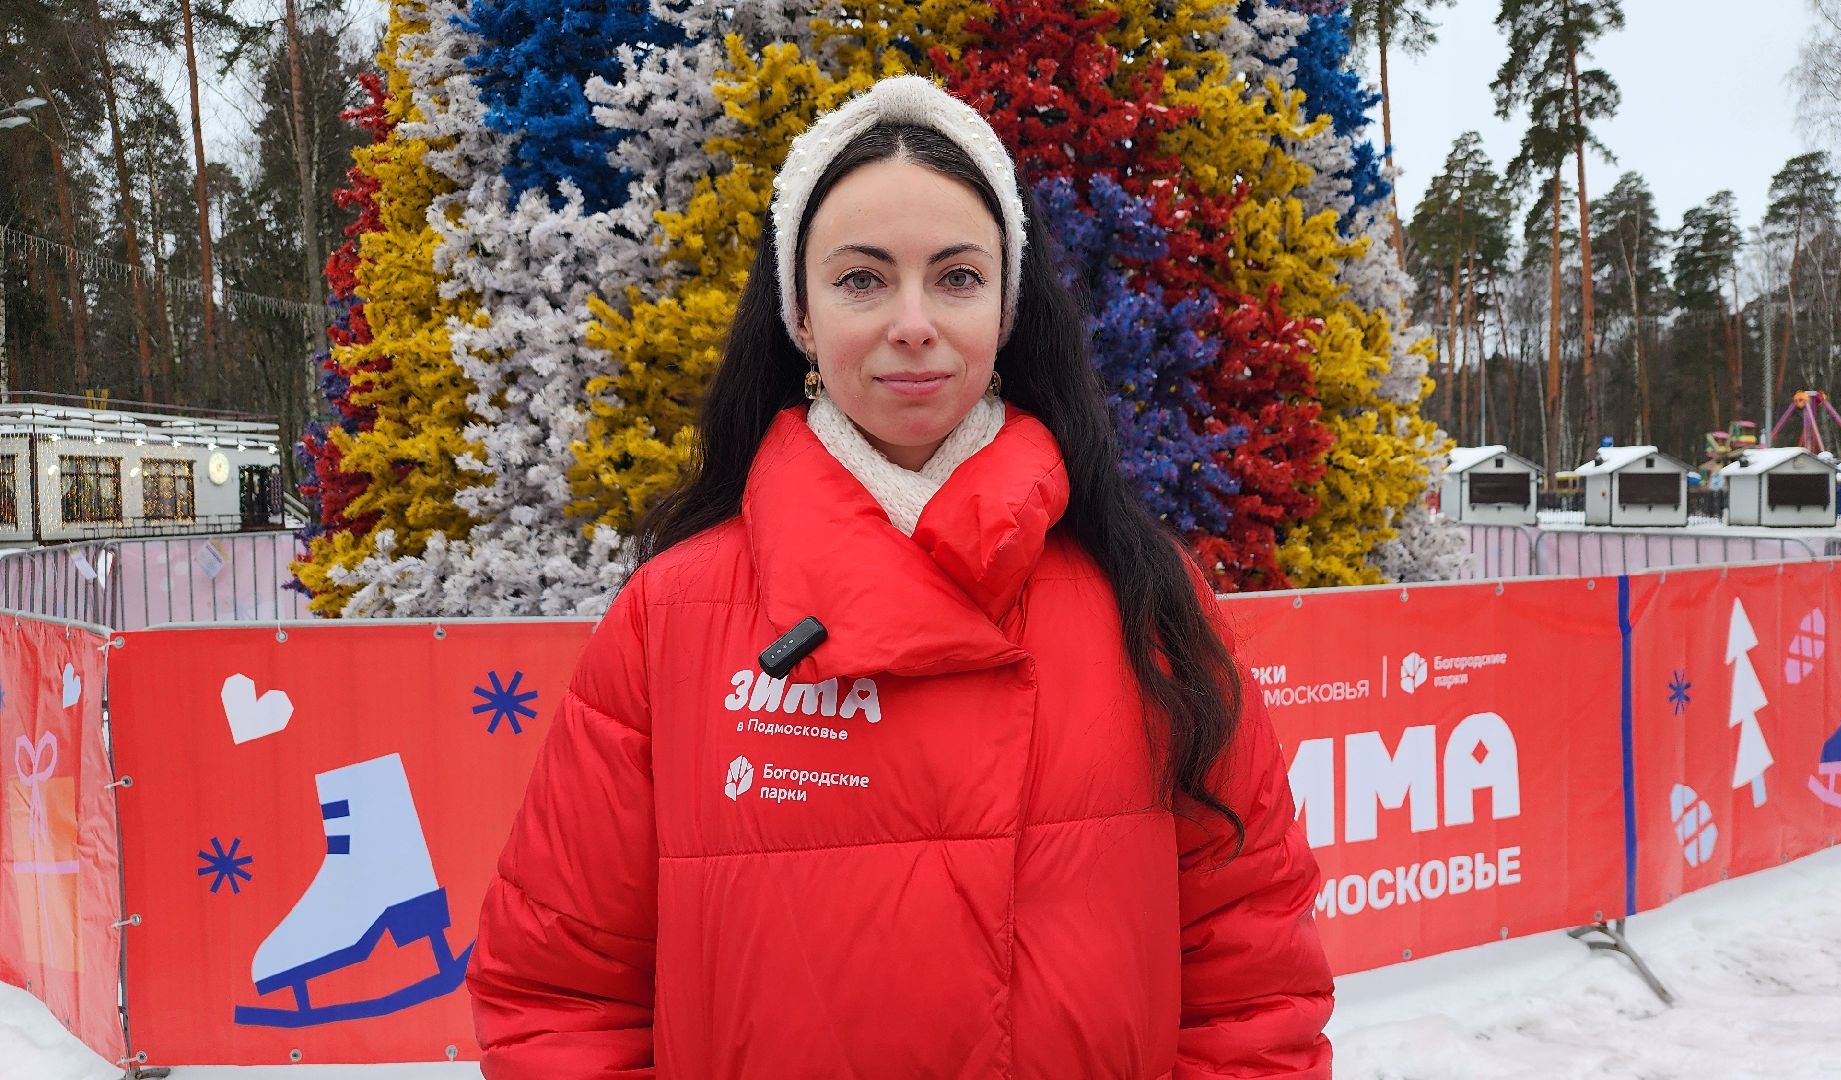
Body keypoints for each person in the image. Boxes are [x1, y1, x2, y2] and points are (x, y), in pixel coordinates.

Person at [465, 75, 1334, 1078]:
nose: (913, 323)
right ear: (798, 313)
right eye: (862, 279)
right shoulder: (671, 616)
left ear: (1007, 309)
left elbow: (1252, 985)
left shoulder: (1148, 601)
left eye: (956, 277)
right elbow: (560, 994)